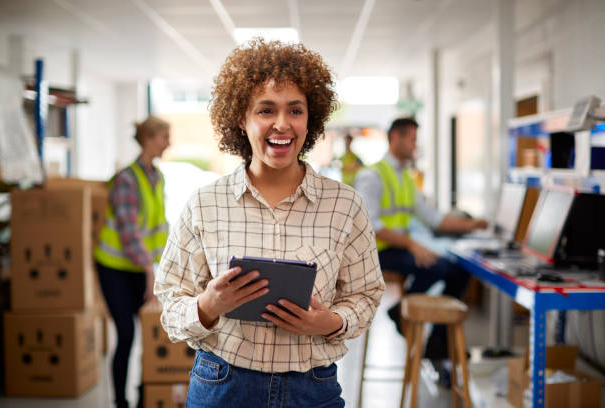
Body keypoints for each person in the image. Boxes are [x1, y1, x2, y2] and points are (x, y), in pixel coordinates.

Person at [154, 39, 384, 408]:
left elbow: (367, 295)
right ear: (241, 121)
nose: (282, 124)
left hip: (313, 389)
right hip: (223, 386)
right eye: (266, 110)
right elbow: (170, 302)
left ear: (311, 118)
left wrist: (330, 322)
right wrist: (207, 305)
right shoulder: (204, 204)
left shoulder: (345, 205)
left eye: (295, 110)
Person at [354, 117, 487, 362]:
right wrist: (414, 245)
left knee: (458, 270)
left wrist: (473, 225)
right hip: (376, 253)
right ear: (396, 137)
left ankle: (434, 339)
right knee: (439, 267)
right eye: (413, 139)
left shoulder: (405, 176)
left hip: (398, 248)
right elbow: (371, 226)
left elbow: (433, 219)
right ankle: (402, 313)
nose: (416, 145)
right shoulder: (372, 176)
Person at [94, 116, 170, 408]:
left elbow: (159, 226)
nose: (168, 143)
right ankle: (120, 401)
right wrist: (150, 271)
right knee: (126, 335)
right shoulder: (126, 180)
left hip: (142, 269)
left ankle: (146, 394)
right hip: (115, 269)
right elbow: (129, 233)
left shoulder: (158, 177)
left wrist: (163, 267)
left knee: (152, 332)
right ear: (149, 139)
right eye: (164, 136)